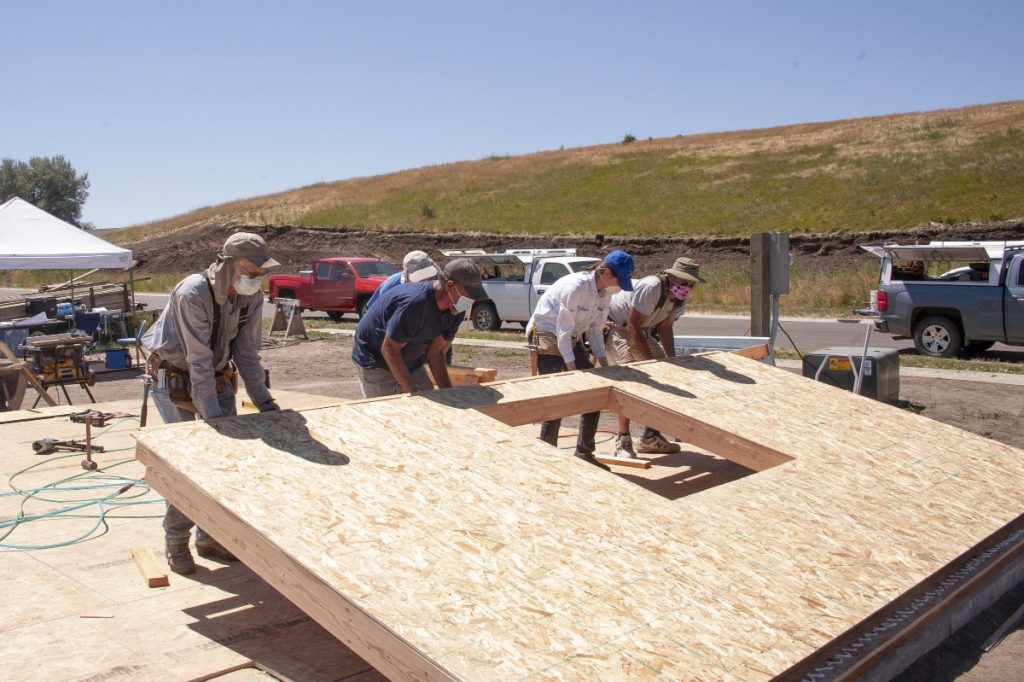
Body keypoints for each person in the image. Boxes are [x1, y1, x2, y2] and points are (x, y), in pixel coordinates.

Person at [141, 232, 281, 575]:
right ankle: (175, 539)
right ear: (229, 265)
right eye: (251, 271)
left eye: (261, 273)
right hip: (175, 377)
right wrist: (215, 424)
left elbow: (247, 356)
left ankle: (211, 536)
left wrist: (268, 406)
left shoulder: (250, 298)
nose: (256, 278)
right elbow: (197, 360)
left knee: (225, 464)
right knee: (194, 464)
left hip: (215, 376)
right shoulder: (193, 293)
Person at [525, 250, 635, 471]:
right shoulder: (576, 288)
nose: (619, 286)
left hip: (570, 336)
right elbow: (562, 333)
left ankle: (584, 453)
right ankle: (547, 458)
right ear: (604, 272)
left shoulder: (605, 294)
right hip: (546, 333)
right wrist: (572, 371)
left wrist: (605, 367)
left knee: (595, 392)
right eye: (617, 280)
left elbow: (595, 331)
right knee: (559, 395)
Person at [606, 256, 704, 458]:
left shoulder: (680, 297)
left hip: (644, 331)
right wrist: (650, 364)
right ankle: (623, 440)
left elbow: (666, 327)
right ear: (671, 277)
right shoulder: (652, 287)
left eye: (691, 283)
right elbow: (632, 326)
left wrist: (671, 360)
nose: (687, 286)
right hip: (621, 328)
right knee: (629, 383)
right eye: (684, 281)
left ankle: (650, 436)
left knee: (664, 378)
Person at [351, 258, 486, 396]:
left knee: (430, 401)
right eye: (468, 295)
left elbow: (436, 353)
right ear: (450, 286)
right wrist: (414, 394)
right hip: (376, 357)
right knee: (386, 410)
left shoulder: (456, 310)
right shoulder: (415, 304)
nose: (471, 301)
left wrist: (448, 394)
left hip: (409, 357)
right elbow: (389, 349)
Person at [364, 250, 439, 311]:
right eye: (420, 277)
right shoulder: (392, 285)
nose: (425, 281)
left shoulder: (437, 281)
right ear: (407, 275)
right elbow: (374, 311)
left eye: (427, 275)